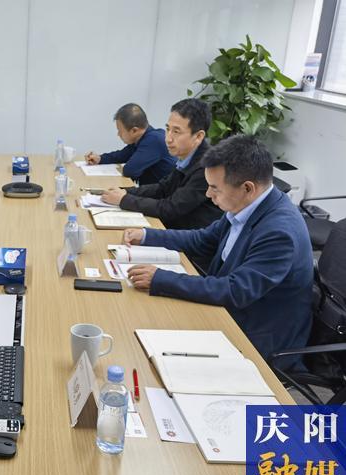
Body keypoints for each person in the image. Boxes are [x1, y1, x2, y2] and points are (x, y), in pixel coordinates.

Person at [123, 135, 313, 365]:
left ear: (247, 188)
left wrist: (161, 279)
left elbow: (235, 290)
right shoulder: (246, 205)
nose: (208, 194)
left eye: (215, 188)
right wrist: (147, 235)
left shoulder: (279, 232)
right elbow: (203, 239)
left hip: (254, 336)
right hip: (227, 309)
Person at [101, 99, 223, 233]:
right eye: (168, 129)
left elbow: (171, 208)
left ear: (198, 136)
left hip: (187, 238)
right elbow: (162, 189)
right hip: (172, 228)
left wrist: (124, 199)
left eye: (176, 132)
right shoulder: (187, 156)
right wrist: (124, 191)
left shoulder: (207, 167)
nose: (168, 139)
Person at [85, 103, 174, 185]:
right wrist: (100, 158)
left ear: (134, 130)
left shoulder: (154, 140)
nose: (118, 134)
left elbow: (130, 170)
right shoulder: (143, 138)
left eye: (120, 131)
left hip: (162, 195)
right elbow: (121, 156)